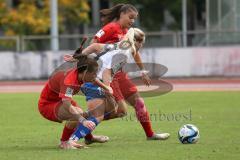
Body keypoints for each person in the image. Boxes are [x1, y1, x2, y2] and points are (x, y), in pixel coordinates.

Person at [89, 3, 170, 140]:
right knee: (121, 111)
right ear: (122, 14)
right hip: (108, 75)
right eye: (130, 17)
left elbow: (134, 51)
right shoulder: (111, 28)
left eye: (134, 19)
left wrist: (143, 71)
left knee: (139, 103)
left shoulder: (128, 32)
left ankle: (150, 134)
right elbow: (93, 43)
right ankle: (85, 125)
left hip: (120, 74)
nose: (132, 21)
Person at [38, 47, 112, 149]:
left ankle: (89, 138)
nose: (95, 76)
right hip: (48, 105)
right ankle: (64, 143)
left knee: (83, 114)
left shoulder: (80, 72)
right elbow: (66, 104)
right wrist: (83, 121)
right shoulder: (69, 82)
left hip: (59, 100)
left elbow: (93, 79)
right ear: (85, 72)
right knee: (78, 114)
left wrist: (106, 87)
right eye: (93, 73)